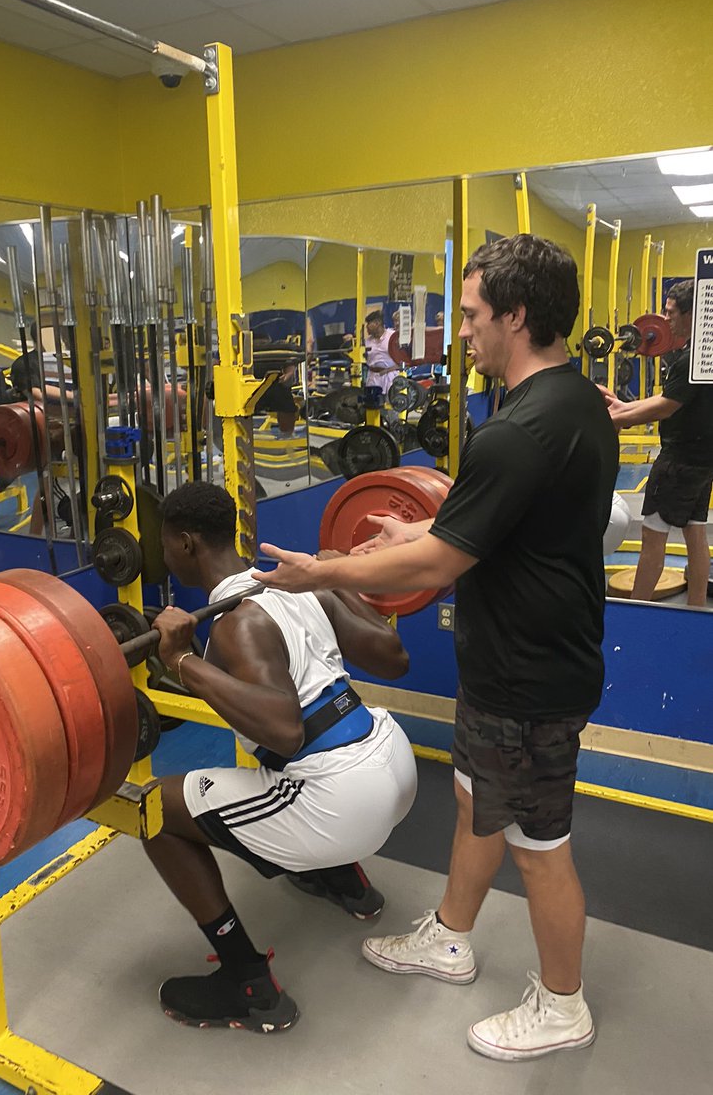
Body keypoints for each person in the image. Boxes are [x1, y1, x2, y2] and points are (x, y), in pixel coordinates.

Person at [254, 234, 619, 1062]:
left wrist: (323, 573)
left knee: (540, 850)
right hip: (522, 667)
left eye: (472, 314)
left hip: (529, 681)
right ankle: (451, 935)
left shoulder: (517, 431)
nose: (462, 332)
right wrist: (426, 521)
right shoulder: (576, 404)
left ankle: (563, 1006)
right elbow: (498, 517)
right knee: (472, 801)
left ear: (516, 316)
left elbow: (442, 560)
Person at [147, 481, 418, 1032]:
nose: (165, 553)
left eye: (167, 543)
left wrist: (181, 661)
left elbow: (283, 728)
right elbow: (394, 658)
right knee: (280, 763)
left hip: (342, 801)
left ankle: (246, 983)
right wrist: (333, 580)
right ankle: (345, 882)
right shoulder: (301, 587)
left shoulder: (238, 620)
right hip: (392, 760)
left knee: (154, 810)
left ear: (188, 543)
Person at [602, 280, 713, 606]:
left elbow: (667, 406)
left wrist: (616, 419)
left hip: (678, 462)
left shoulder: (688, 360)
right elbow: (670, 397)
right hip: (704, 459)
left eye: (671, 313)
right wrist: (624, 408)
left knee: (652, 537)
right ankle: (696, 610)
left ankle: (637, 611)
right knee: (695, 532)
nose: (666, 321)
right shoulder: (703, 354)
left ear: (692, 315)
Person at [363, 309, 399, 395]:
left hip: (390, 376)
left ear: (377, 323)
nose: (367, 327)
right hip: (373, 377)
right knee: (372, 405)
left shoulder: (393, 336)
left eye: (369, 324)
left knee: (391, 405)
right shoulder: (367, 341)